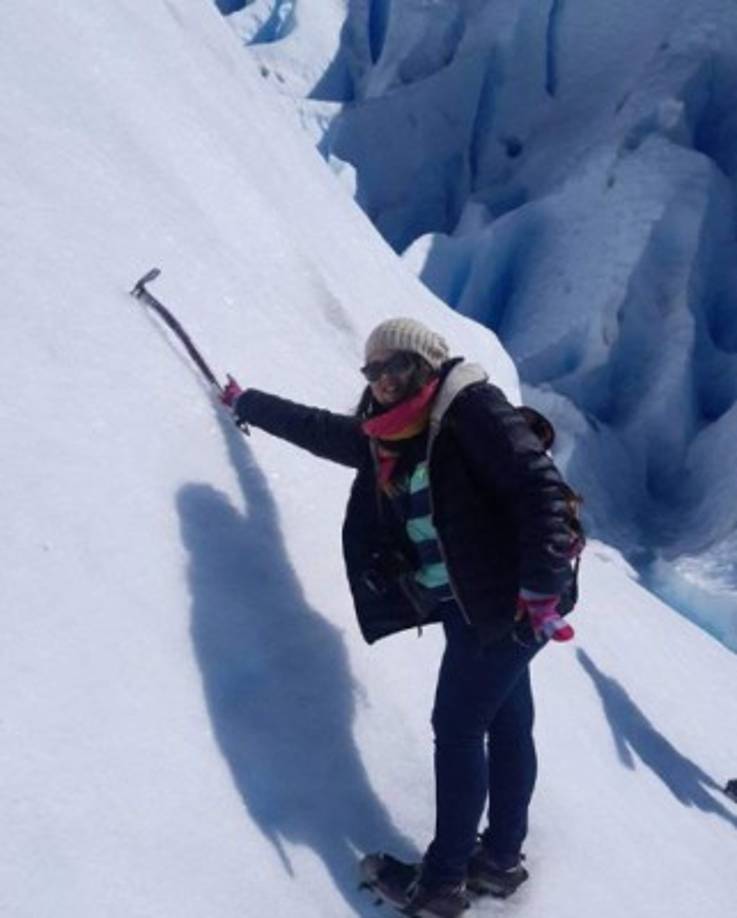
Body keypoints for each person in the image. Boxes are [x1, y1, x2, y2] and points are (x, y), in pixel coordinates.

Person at [220, 317, 580, 918]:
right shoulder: (398, 432)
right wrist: (249, 402)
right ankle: (497, 861)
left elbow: (538, 490)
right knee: (507, 720)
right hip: (483, 608)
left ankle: (440, 887)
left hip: (514, 604)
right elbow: (329, 433)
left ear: (428, 364)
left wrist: (540, 591)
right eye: (374, 370)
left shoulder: (469, 409)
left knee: (461, 726)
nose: (384, 380)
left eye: (397, 366)